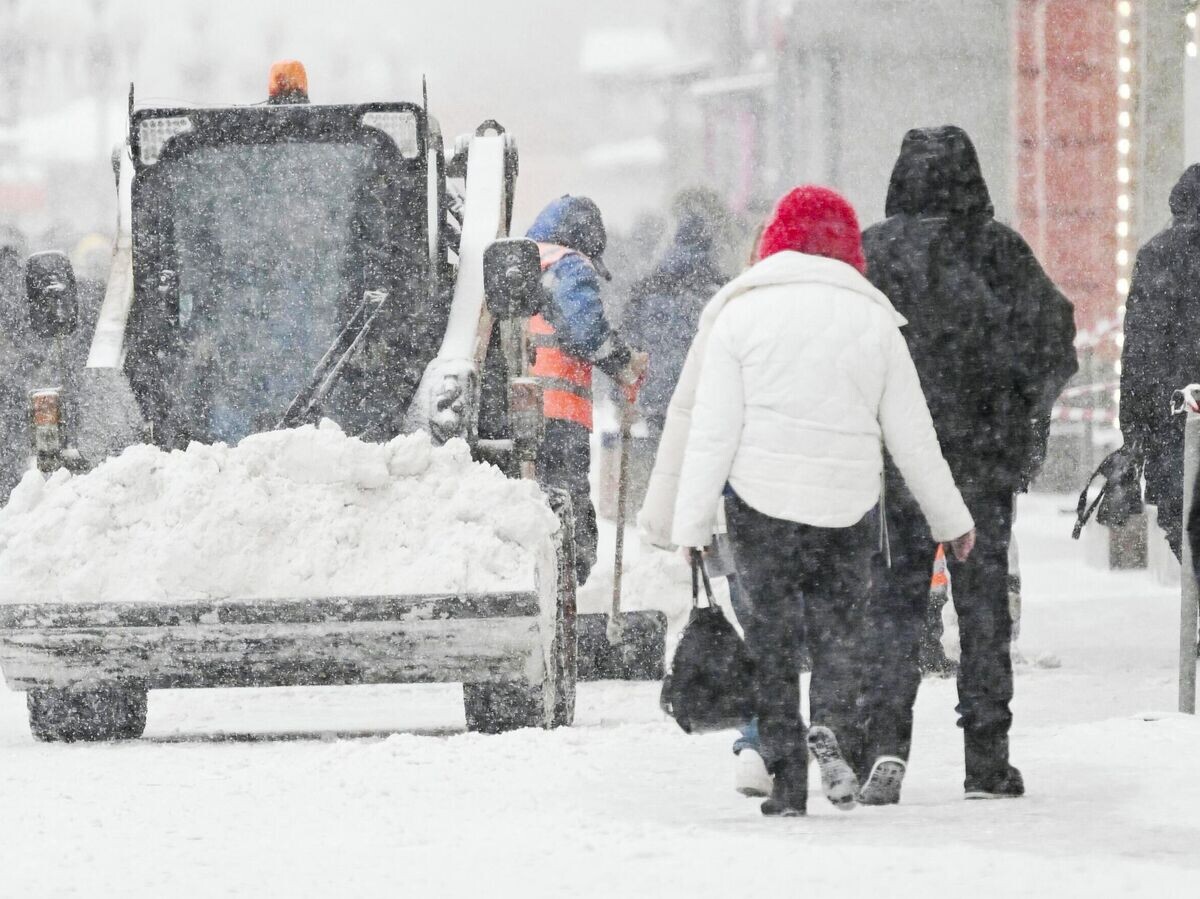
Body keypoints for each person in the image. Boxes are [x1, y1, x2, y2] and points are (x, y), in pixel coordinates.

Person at [641, 185, 976, 817]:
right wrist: (951, 519)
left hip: (759, 505)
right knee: (838, 635)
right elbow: (914, 438)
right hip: (846, 508)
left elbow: (714, 431)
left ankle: (788, 781)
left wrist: (691, 524)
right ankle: (828, 722)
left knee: (771, 642)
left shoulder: (740, 314)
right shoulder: (874, 320)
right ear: (849, 247)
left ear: (774, 239)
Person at [860, 125, 1077, 803]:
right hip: (981, 460)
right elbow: (1054, 334)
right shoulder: (1001, 251)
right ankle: (987, 757)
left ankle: (884, 743)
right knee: (982, 609)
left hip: (897, 459)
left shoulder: (873, 252)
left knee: (893, 603)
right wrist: (1020, 405)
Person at [525, 195, 648, 586]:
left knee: (533, 512)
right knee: (570, 524)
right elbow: (586, 331)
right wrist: (624, 363)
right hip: (557, 416)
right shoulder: (565, 263)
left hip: (520, 417)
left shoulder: (520, 260)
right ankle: (565, 601)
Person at [1120, 164, 1200, 561]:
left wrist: (1133, 436)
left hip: (1175, 433)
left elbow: (1139, 357)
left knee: (1185, 537)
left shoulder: (1158, 255)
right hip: (1177, 430)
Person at [623, 188, 730, 448]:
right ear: (708, 244)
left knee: (660, 455)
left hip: (656, 392)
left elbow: (628, 339)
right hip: (700, 393)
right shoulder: (721, 289)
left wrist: (623, 397)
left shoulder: (648, 285)